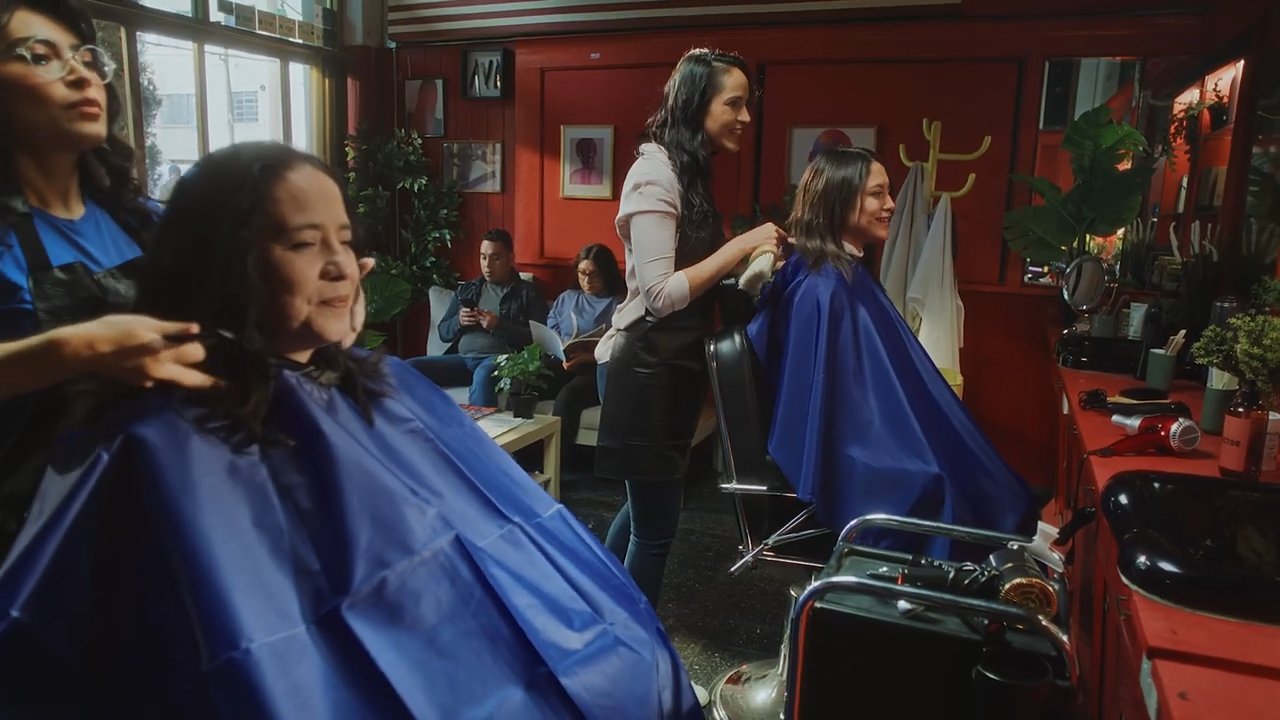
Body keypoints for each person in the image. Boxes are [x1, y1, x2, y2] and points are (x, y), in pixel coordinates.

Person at [0, 142, 702, 718]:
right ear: (221, 264)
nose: (341, 265)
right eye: (306, 244)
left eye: (346, 241)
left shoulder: (379, 385)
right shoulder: (156, 445)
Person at [746, 147, 1038, 560]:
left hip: (871, 433)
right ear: (839, 199)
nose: (891, 205)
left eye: (889, 192)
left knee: (971, 462)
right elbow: (832, 412)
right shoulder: (824, 288)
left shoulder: (843, 275)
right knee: (936, 479)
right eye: (877, 194)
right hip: (854, 447)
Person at [0, 0, 214, 551]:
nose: (80, 74)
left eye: (86, 57)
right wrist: (73, 350)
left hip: (157, 515)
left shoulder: (146, 221)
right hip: (27, 543)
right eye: (40, 56)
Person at [594, 47, 786, 616]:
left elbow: (697, 282)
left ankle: (599, 620)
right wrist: (739, 246)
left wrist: (751, 268)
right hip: (644, 369)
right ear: (696, 104)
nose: (745, 117)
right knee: (654, 531)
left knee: (641, 514)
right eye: (734, 104)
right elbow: (659, 296)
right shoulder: (654, 173)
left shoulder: (689, 172)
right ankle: (634, 661)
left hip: (672, 371)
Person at [407, 228, 547, 407]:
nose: (487, 265)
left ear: (511, 258)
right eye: (483, 257)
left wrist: (498, 326)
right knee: (409, 368)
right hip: (462, 360)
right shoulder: (468, 289)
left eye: (496, 258)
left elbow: (539, 342)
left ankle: (480, 435)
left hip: (500, 361)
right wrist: (458, 321)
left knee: (482, 375)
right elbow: (443, 332)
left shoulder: (527, 293)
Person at [545, 243, 623, 461]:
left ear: (606, 274)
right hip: (563, 361)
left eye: (593, 274)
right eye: (582, 273)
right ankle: (518, 457)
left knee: (568, 398)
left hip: (595, 369)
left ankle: (558, 466)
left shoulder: (618, 303)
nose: (587, 281)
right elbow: (552, 329)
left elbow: (625, 346)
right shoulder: (567, 298)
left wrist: (588, 356)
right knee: (523, 382)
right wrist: (560, 350)